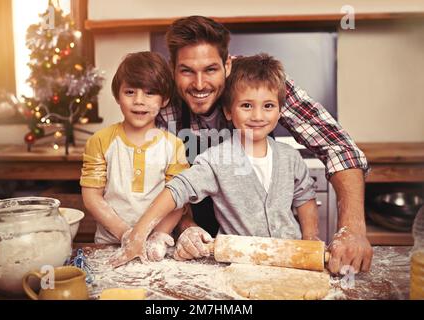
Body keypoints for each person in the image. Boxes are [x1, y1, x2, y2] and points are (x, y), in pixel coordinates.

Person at [158, 15, 372, 275]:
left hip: (274, 252)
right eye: (187, 71)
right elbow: (162, 182)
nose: (200, 84)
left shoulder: (259, 81)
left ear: (227, 65)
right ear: (173, 69)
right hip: (203, 250)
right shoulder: (159, 97)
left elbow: (339, 147)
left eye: (211, 70)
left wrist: (352, 229)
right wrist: (186, 226)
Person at [110, 53, 321, 267]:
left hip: (292, 260)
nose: (258, 116)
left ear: (279, 112)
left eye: (268, 106)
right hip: (240, 263)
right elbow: (177, 190)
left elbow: (305, 198)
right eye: (246, 106)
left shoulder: (290, 157)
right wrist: (139, 233)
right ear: (228, 112)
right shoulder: (215, 160)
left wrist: (310, 239)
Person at [80, 52, 189, 261]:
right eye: (130, 92)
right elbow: (92, 198)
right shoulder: (100, 141)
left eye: (150, 93)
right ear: (117, 97)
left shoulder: (173, 146)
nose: (139, 101)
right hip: (109, 246)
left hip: (155, 249)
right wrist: (127, 235)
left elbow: (178, 201)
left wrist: (158, 236)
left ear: (164, 99)